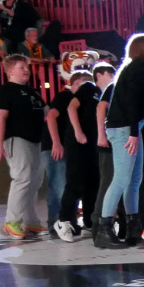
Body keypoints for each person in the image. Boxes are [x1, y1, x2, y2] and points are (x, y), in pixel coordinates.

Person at [97, 33, 144, 248]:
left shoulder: (135, 68)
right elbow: (133, 103)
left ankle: (133, 226)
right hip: (124, 130)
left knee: (134, 180)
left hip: (130, 128)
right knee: (122, 179)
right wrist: (133, 132)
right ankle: (103, 229)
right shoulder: (137, 69)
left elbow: (142, 105)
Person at [0, 54, 47, 238]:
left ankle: (30, 221)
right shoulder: (6, 90)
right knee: (22, 178)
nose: (26, 70)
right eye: (22, 67)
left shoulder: (32, 91)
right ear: (10, 71)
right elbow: (0, 118)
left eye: (27, 67)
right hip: (17, 138)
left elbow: (48, 112)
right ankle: (10, 222)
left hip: (36, 139)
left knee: (35, 180)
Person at [48, 54, 99, 241]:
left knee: (91, 184)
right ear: (73, 84)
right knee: (71, 184)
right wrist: (56, 142)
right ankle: (62, 221)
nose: (86, 87)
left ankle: (88, 221)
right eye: (82, 83)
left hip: (88, 145)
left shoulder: (92, 98)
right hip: (70, 145)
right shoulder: (65, 96)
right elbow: (52, 117)